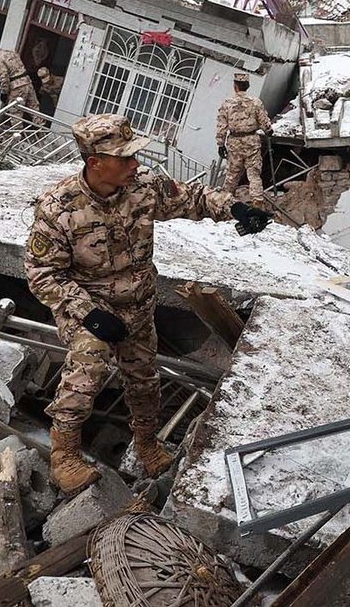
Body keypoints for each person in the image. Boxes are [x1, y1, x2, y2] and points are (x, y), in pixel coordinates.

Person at [25, 113, 269, 497]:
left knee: (143, 378)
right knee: (88, 368)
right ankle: (65, 456)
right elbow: (42, 274)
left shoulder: (143, 187)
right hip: (89, 310)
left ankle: (146, 444)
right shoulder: (59, 209)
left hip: (137, 306)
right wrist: (90, 313)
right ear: (95, 162)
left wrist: (236, 209)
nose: (135, 164)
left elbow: (194, 198)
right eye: (125, 158)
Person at [216, 72, 273, 209]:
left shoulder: (227, 104)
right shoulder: (256, 102)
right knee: (253, 174)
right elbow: (264, 121)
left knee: (232, 174)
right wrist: (268, 130)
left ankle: (224, 202)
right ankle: (257, 202)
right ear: (247, 86)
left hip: (235, 142)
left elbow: (221, 126)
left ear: (235, 87)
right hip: (251, 141)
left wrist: (220, 144)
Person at [0, 37, 40, 125]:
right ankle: (41, 132)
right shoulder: (11, 53)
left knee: (15, 114)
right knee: (34, 109)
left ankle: (18, 136)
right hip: (27, 83)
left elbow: (5, 78)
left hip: (17, 87)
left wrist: (4, 92)